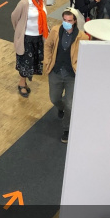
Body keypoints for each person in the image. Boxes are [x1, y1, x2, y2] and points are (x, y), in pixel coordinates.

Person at [44, 8, 86, 144]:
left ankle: (67, 129)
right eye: (64, 20)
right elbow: (48, 45)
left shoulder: (82, 37)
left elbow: (85, 56)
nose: (66, 23)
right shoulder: (56, 31)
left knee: (69, 103)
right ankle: (60, 108)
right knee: (54, 98)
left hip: (71, 75)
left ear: (74, 21)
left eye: (69, 21)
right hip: (55, 72)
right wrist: (47, 61)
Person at [10, 0, 49, 98]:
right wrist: (19, 30)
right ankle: (22, 83)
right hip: (26, 38)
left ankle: (25, 81)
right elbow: (14, 17)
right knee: (25, 62)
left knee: (34, 61)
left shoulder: (44, 0)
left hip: (39, 37)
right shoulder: (24, 3)